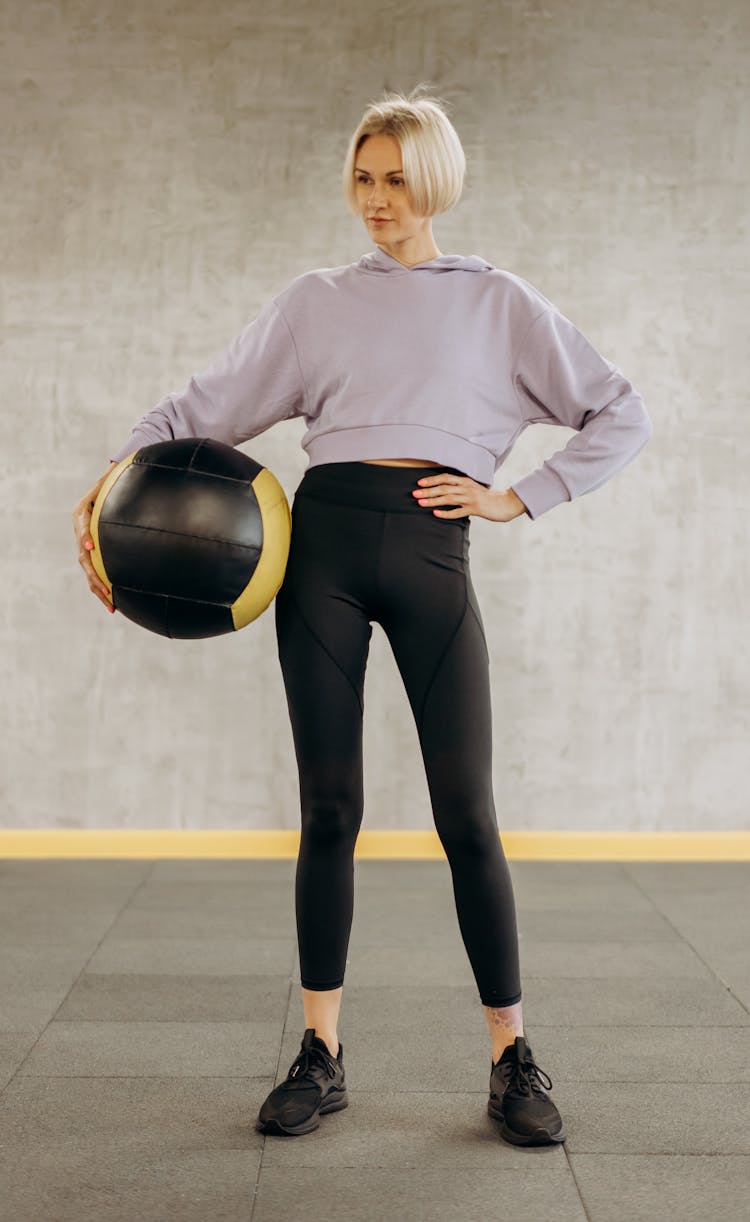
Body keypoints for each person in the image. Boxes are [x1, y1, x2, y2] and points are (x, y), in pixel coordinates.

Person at [73, 85, 652, 1148]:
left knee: (467, 815)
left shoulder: (500, 302)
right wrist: (107, 493)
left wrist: (522, 493)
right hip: (323, 550)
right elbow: (199, 409)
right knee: (329, 810)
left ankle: (512, 1056)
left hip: (435, 551)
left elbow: (622, 409)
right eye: (363, 177)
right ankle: (321, 1053)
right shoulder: (314, 301)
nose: (377, 200)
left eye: (396, 179)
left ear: (434, 182)